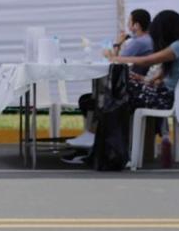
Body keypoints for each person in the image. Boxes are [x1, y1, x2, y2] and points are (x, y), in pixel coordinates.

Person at [105, 10, 179, 166]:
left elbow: (146, 61)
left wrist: (114, 58)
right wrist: (145, 80)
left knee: (119, 89)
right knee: (126, 84)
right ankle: (147, 141)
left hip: (166, 99)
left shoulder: (178, 46)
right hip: (171, 96)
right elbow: (169, 77)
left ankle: (118, 147)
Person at [62, 9, 154, 163]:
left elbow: (115, 61)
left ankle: (92, 137)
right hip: (135, 85)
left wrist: (117, 43)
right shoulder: (147, 41)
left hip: (129, 89)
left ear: (136, 25)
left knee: (92, 100)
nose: (127, 25)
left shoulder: (138, 42)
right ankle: (91, 137)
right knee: (91, 99)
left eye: (129, 22)